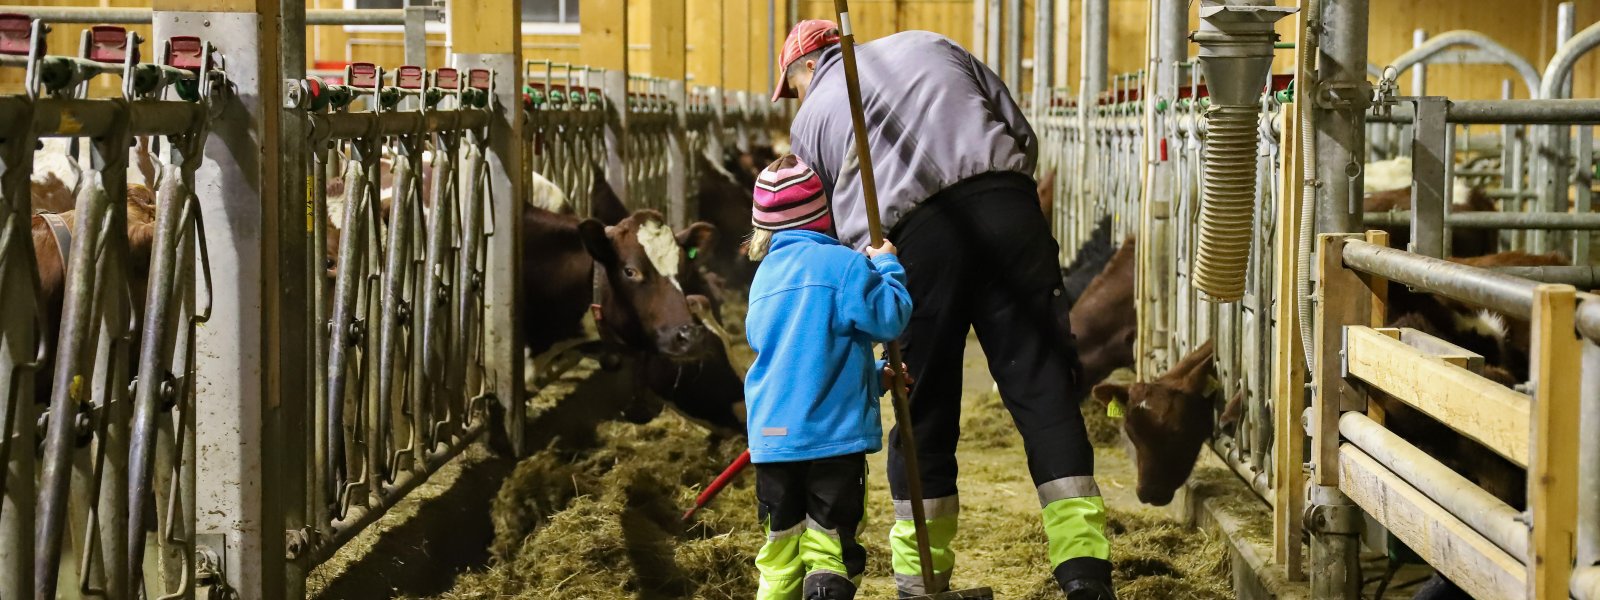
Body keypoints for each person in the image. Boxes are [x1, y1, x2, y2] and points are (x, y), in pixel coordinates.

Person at [772, 20, 1116, 600]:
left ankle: (920, 580)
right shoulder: (931, 43)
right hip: (1009, 208)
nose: (796, 102)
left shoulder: (811, 120)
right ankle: (1085, 573)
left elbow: (819, 230)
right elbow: (1020, 134)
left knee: (922, 405)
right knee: (1044, 390)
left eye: (792, 88)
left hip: (909, 246)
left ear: (807, 66)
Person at [743, 155, 914, 600]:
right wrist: (888, 268)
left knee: (779, 554)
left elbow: (800, 360)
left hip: (772, 439)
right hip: (832, 440)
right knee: (829, 549)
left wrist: (874, 377)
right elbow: (889, 319)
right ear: (824, 212)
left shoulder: (763, 278)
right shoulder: (844, 265)